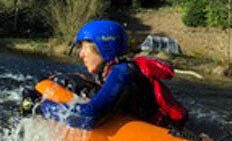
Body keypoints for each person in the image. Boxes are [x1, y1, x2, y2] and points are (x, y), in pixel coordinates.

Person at [39, 20, 188, 129]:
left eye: (85, 48)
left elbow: (88, 117)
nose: (81, 54)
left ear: (103, 48)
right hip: (147, 122)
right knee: (72, 81)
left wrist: (43, 107)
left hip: (161, 132)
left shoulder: (122, 73)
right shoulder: (112, 71)